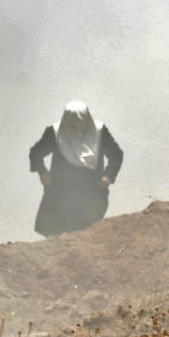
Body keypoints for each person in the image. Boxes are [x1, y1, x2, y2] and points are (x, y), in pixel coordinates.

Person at [29, 101, 123, 237]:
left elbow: (116, 154)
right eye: (69, 126)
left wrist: (108, 176)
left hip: (91, 191)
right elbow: (36, 152)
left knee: (87, 231)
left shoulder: (99, 133)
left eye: (77, 126)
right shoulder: (55, 133)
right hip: (60, 191)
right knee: (56, 233)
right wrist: (42, 172)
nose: (72, 129)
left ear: (85, 123)